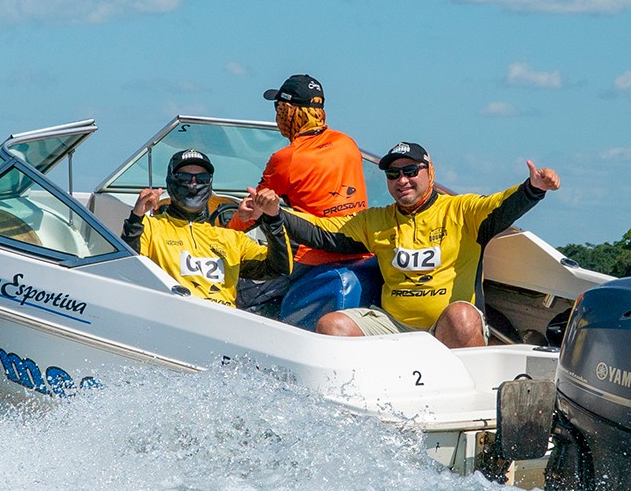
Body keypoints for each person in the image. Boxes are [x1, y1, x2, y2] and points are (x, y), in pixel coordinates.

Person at [264, 140, 560, 348]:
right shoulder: (376, 221)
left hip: (447, 329)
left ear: (429, 173)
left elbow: (501, 206)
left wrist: (533, 188)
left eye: (410, 171)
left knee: (463, 317)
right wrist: (276, 214)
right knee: (332, 326)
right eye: (393, 174)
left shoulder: (461, 211)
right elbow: (323, 233)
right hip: (393, 325)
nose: (401, 180)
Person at [229, 74, 370, 304]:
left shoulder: (286, 159)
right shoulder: (348, 143)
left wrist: (224, 229)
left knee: (238, 291)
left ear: (289, 111)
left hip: (314, 256)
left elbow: (254, 210)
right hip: (359, 250)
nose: (275, 115)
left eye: (278, 108)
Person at [121, 148, 292, 307]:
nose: (193, 184)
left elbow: (280, 268)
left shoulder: (232, 239)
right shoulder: (150, 227)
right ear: (171, 181)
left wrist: (272, 218)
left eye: (202, 179)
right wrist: (136, 216)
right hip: (172, 315)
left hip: (224, 322)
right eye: (184, 178)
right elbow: (126, 268)